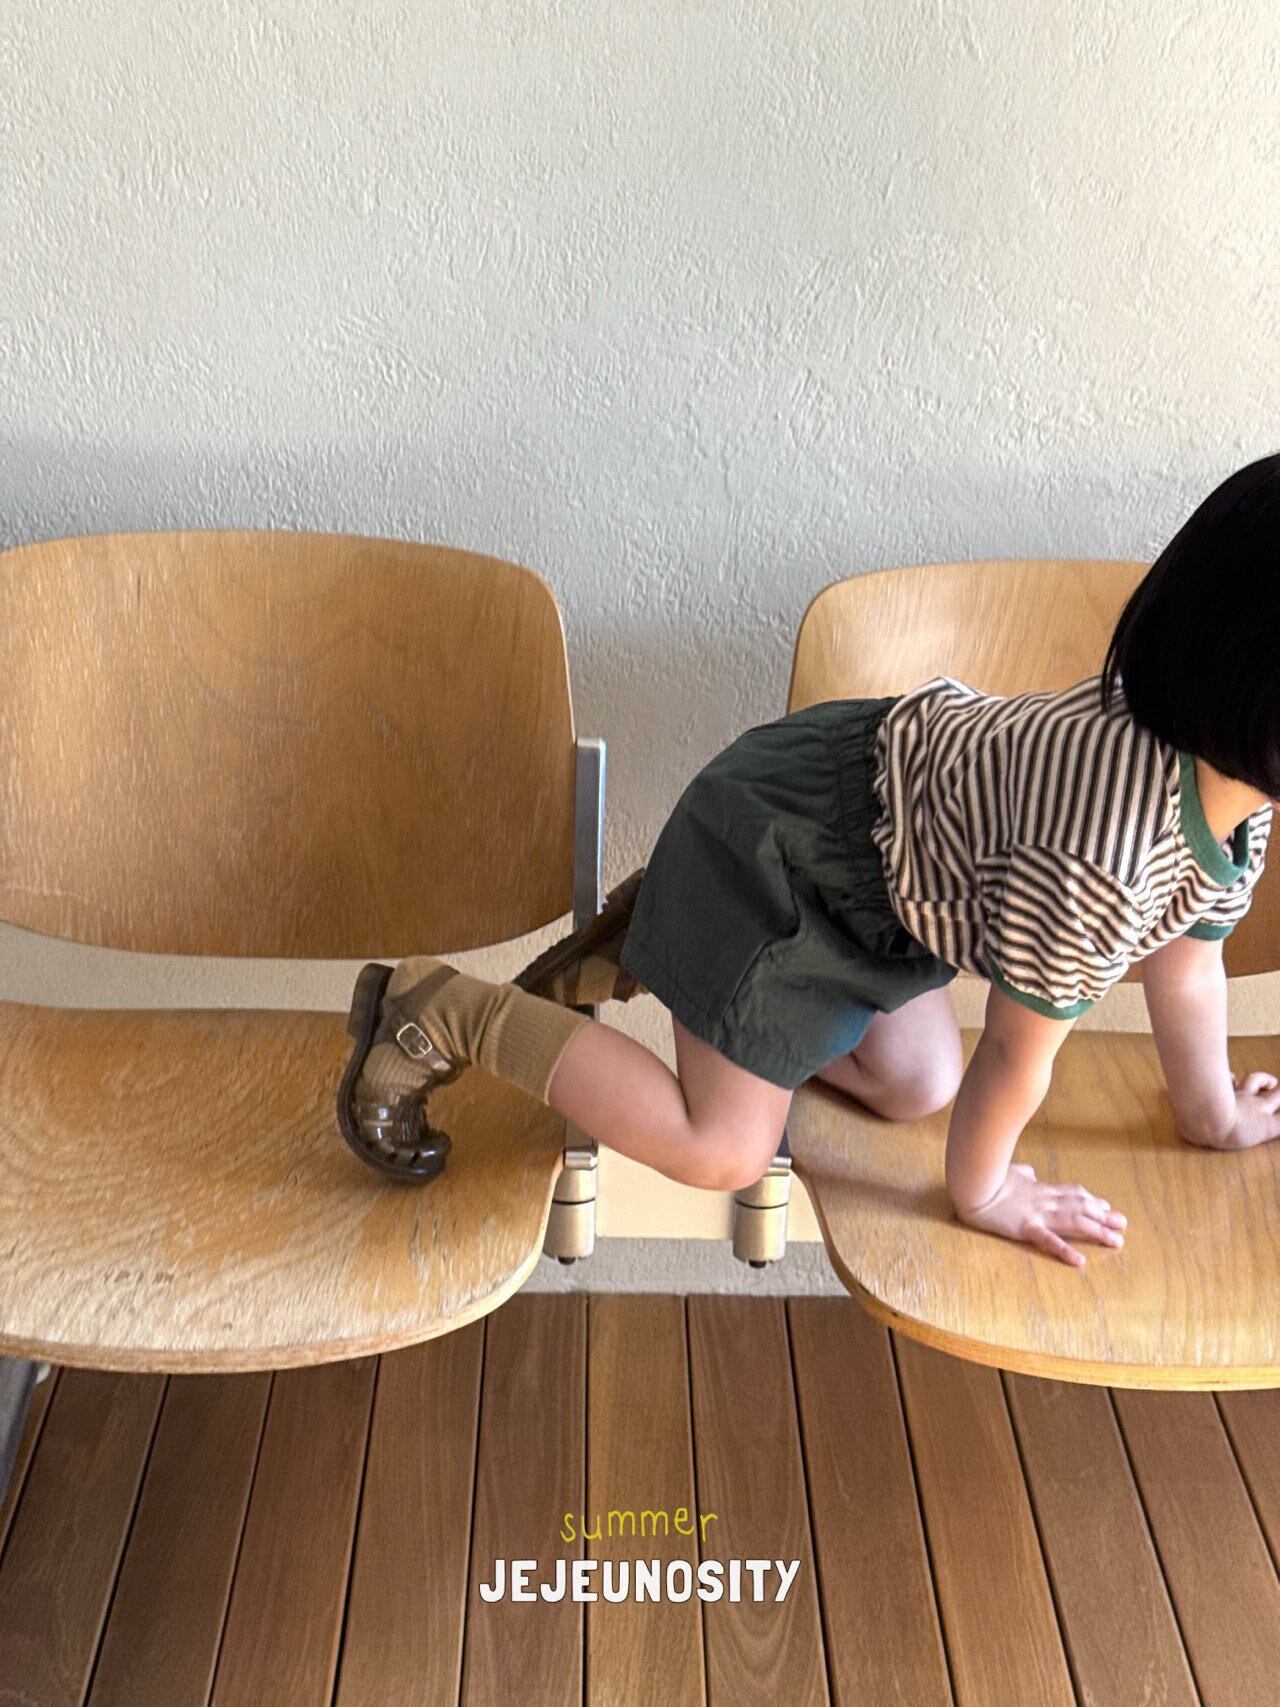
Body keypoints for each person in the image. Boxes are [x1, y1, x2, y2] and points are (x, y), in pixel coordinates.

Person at [336, 453, 1280, 1266]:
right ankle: (444, 1009)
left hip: (885, 889)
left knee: (920, 1085)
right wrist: (986, 1191)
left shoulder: (1233, 798)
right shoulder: (1103, 861)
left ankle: (683, 949)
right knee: (723, 1151)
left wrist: (1212, 1113)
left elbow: (1189, 956)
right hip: (783, 853)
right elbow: (1015, 1049)